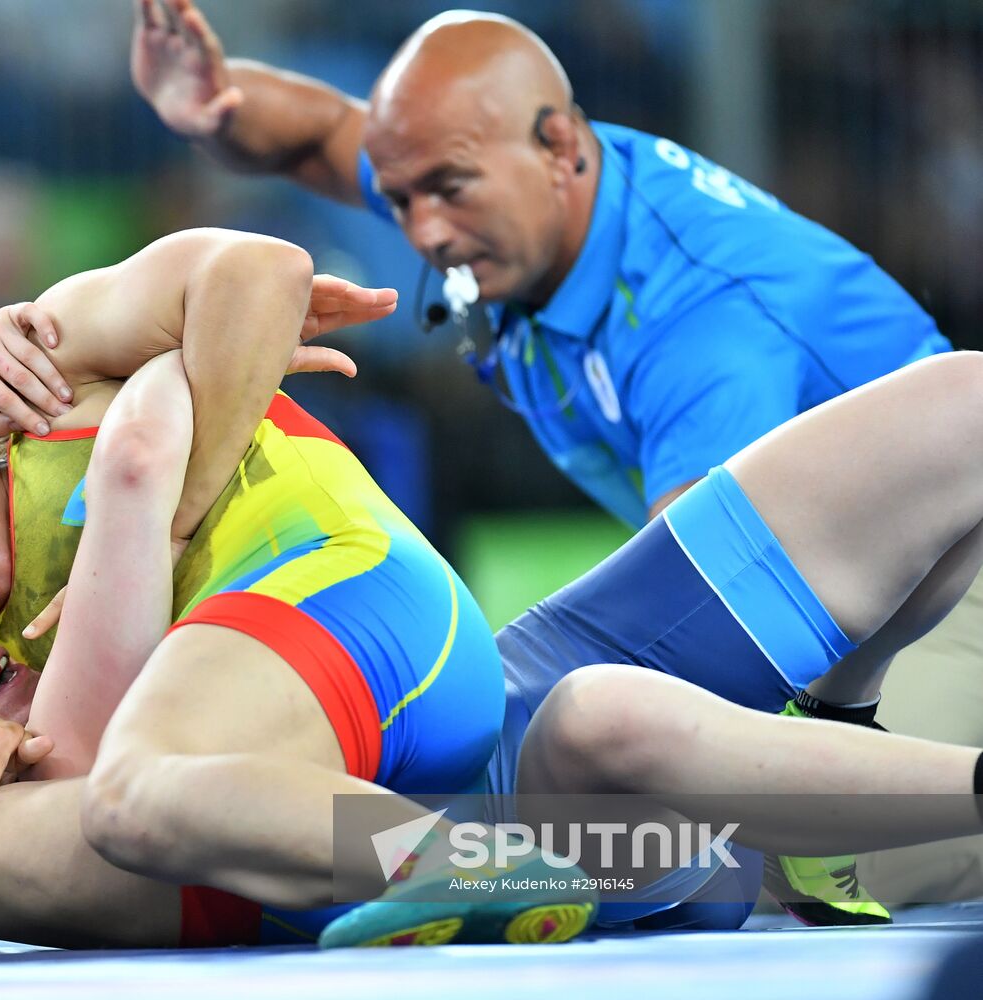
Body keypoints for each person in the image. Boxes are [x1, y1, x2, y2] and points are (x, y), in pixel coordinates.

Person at [0, 351, 983, 967]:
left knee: (956, 406)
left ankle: (839, 750)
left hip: (484, 712)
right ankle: (679, 859)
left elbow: (208, 304)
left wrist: (195, 360)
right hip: (505, 805)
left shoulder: (35, 555)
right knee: (607, 728)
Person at [124, 0, 972, 923]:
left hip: (938, 588)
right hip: (823, 580)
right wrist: (218, 105)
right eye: (402, 198)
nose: (425, 233)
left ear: (561, 147)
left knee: (752, 859)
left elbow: (701, 645)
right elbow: (325, 133)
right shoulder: (476, 161)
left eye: (444, 192)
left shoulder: (703, 332)